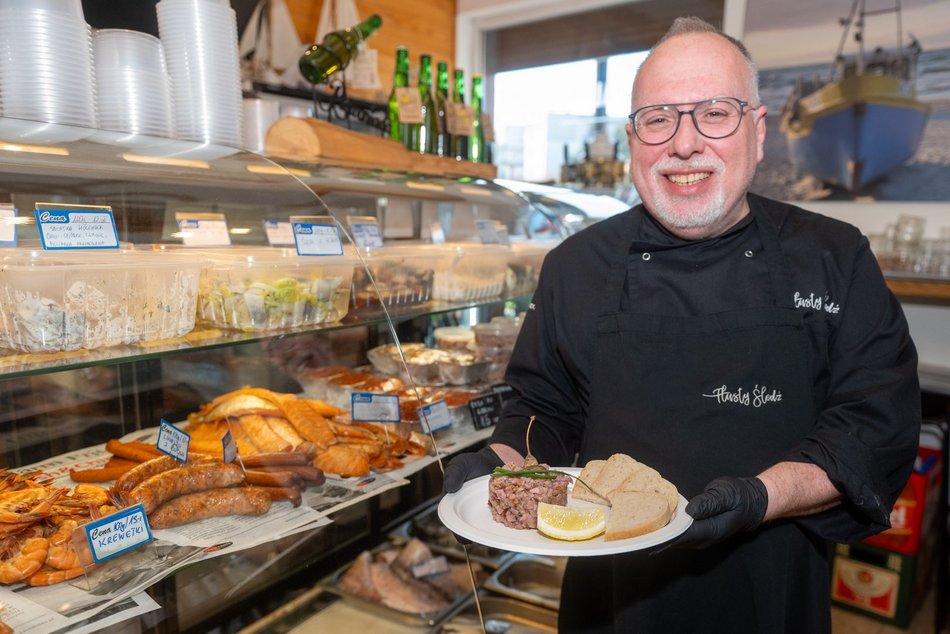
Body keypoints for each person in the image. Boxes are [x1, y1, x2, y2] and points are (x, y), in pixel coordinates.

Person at [442, 16, 920, 634]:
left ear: (758, 129)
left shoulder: (834, 255)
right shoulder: (574, 266)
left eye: (714, 113)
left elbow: (873, 426)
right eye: (658, 118)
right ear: (632, 138)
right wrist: (497, 464)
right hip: (609, 594)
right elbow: (544, 411)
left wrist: (758, 497)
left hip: (771, 588)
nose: (684, 144)